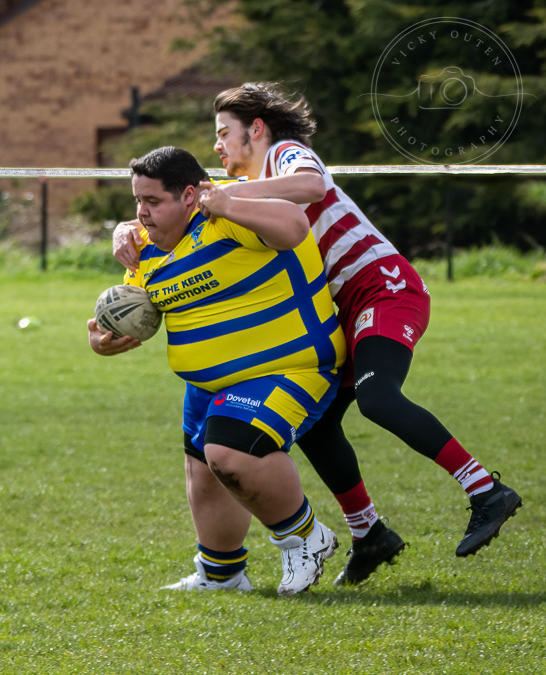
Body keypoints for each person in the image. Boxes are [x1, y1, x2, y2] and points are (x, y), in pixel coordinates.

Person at [113, 83, 522, 585]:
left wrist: (222, 196)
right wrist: (125, 228)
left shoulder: (284, 154)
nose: (217, 145)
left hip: (381, 289)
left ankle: (485, 490)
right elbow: (178, 205)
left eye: (223, 133)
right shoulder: (244, 183)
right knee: (319, 422)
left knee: (378, 398)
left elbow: (309, 186)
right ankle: (369, 533)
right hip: (342, 307)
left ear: (256, 129)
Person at [89, 145, 345, 596]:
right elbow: (134, 312)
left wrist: (230, 204)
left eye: (153, 201)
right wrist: (102, 341)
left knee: (229, 454)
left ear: (189, 196)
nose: (141, 213)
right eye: (138, 201)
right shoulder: (145, 251)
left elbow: (295, 225)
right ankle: (222, 574)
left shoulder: (226, 215)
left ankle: (305, 537)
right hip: (208, 384)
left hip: (288, 367)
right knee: (204, 474)